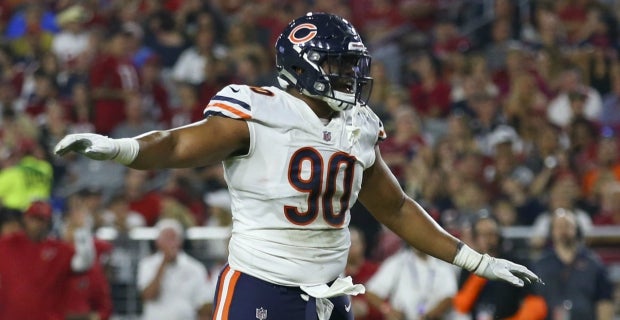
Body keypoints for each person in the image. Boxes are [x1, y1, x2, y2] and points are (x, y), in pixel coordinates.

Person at [54, 12, 541, 320]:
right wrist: (120, 148)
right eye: (338, 65)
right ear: (304, 65)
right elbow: (179, 147)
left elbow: (395, 208)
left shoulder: (360, 125)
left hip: (329, 296)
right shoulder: (260, 110)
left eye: (353, 65)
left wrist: (476, 260)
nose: (351, 75)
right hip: (260, 286)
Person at [0, 200, 95, 320]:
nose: (36, 224)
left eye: (41, 220)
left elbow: (84, 263)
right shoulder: (8, 244)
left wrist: (82, 230)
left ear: (49, 223)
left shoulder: (59, 249)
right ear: (25, 219)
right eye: (33, 218)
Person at [453, 212, 547, 320]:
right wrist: (482, 267)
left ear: (499, 236)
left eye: (492, 234)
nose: (488, 239)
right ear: (475, 238)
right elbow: (461, 306)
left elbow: (537, 305)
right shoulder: (468, 266)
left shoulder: (515, 263)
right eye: (482, 234)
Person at [533, 209, 614, 320]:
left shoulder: (593, 263)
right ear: (551, 231)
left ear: (577, 229)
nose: (563, 230)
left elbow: (605, 300)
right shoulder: (540, 264)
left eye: (567, 226)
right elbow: (531, 301)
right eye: (558, 226)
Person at [137, 218, 213, 320]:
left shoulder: (195, 267)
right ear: (157, 241)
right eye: (166, 238)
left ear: (180, 241)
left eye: (173, 238)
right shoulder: (147, 264)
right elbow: (148, 296)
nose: (170, 243)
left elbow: (204, 303)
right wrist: (163, 264)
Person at [365, 246, 457, 320]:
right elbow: (372, 291)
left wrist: (430, 316)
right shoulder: (398, 262)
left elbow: (449, 297)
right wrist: (388, 310)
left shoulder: (442, 265)